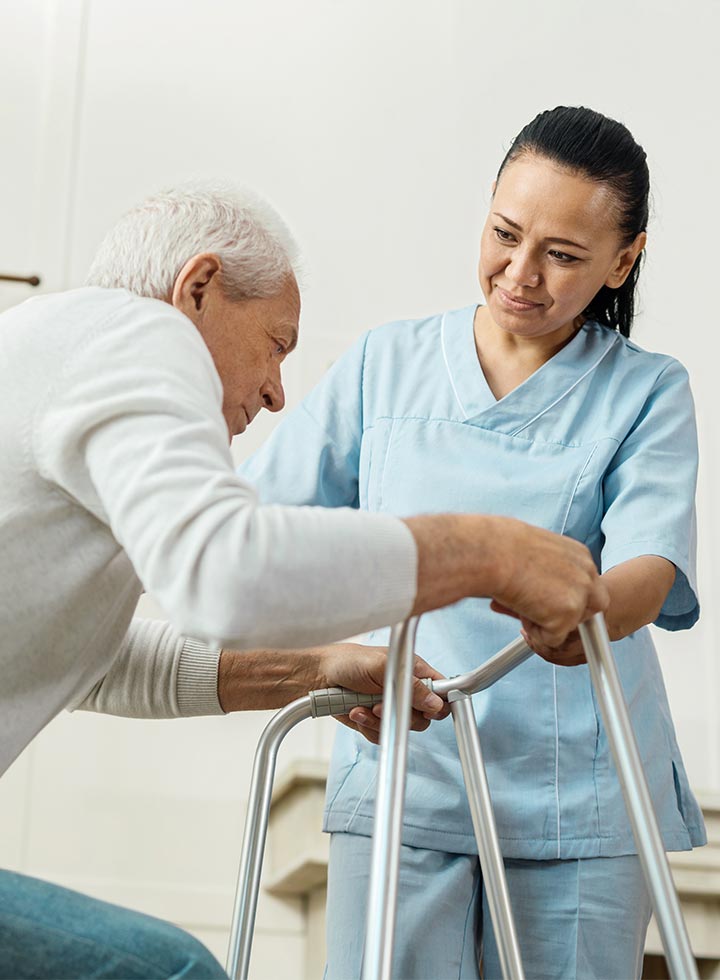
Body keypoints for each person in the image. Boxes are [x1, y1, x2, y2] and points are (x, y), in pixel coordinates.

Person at [0, 182, 606, 979]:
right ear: (200, 288)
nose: (279, 392)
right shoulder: (137, 334)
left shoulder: (48, 349)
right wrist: (487, 552)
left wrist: (313, 668)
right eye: (276, 344)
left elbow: (89, 661)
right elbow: (223, 573)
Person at [238, 107, 705, 979]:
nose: (520, 274)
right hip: (404, 772)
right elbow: (250, 550)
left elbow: (652, 564)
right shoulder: (386, 366)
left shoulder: (647, 392)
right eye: (504, 234)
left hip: (583, 799)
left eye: (563, 255)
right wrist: (326, 659)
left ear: (624, 259)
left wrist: (588, 607)